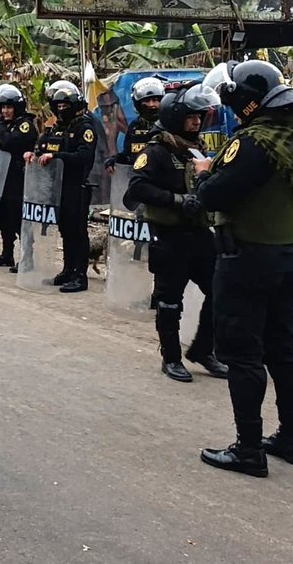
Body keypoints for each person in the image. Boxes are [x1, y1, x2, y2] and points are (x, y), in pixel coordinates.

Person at [194, 60, 293, 478]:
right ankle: (291, 436)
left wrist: (203, 176)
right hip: (286, 258)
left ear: (248, 102)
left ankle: (249, 449)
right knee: (283, 349)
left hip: (244, 259)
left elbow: (214, 195)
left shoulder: (251, 143)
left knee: (244, 355)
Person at [125, 84, 229, 382]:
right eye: (190, 116)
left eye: (199, 116)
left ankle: (203, 349)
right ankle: (171, 358)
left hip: (199, 234)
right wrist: (178, 201)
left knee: (220, 290)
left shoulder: (197, 149)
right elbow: (137, 187)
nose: (197, 121)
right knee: (170, 300)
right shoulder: (156, 150)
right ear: (175, 117)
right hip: (169, 235)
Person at [27, 80, 97, 293]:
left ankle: (80, 276)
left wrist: (57, 156)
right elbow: (43, 146)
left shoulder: (84, 126)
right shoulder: (56, 127)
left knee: (78, 230)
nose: (61, 109)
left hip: (77, 186)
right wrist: (34, 154)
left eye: (65, 105)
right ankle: (68, 269)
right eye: (57, 105)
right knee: (65, 229)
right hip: (58, 188)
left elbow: (84, 155)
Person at [0, 84, 37, 269]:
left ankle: (27, 258)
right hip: (3, 178)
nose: (5, 111)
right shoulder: (6, 126)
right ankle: (7, 254)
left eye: (9, 107)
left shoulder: (24, 125)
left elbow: (8, 142)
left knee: (18, 218)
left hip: (19, 179)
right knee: (3, 217)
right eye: (3, 108)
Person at [106, 77, 164, 170]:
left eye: (155, 100)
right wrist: (115, 160)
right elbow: (127, 154)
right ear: (138, 104)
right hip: (138, 178)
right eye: (147, 101)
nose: (151, 104)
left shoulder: (168, 125)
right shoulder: (135, 126)